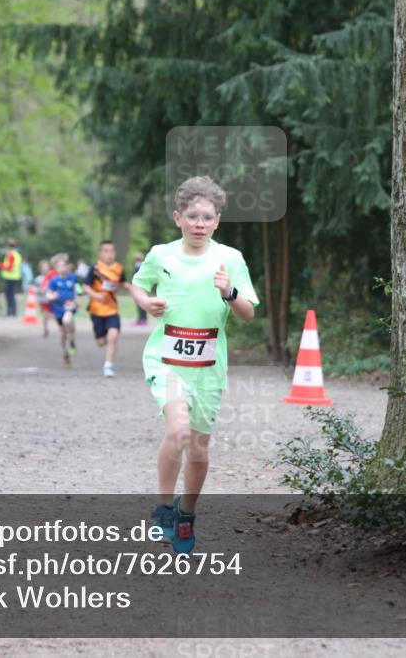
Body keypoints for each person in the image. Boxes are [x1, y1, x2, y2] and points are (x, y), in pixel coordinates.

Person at [128, 175, 258, 554]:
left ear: (217, 221)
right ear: (178, 218)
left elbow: (248, 313)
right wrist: (144, 301)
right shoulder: (161, 254)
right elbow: (137, 284)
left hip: (208, 368)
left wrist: (229, 293)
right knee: (179, 429)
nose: (199, 223)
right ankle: (163, 509)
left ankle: (187, 514)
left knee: (199, 447)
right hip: (166, 360)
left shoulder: (230, 259)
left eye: (207, 217)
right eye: (192, 216)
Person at [83, 240, 130, 377]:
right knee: (101, 342)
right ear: (100, 253)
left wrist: (133, 288)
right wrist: (95, 295)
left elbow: (122, 283)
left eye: (112, 251)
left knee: (113, 335)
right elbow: (86, 286)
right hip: (96, 310)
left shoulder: (119, 268)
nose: (109, 254)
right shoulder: (95, 268)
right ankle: (103, 339)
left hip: (112, 310)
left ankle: (108, 365)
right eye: (106, 251)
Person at [46, 257, 79, 368]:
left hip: (69, 307)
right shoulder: (54, 281)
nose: (61, 268)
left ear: (67, 266)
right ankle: (65, 354)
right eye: (59, 266)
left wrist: (77, 300)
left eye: (63, 265)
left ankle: (72, 341)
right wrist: (52, 296)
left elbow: (76, 291)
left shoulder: (73, 278)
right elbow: (48, 294)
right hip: (58, 309)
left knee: (67, 319)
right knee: (62, 334)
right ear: (55, 268)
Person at [0, 238, 23, 317]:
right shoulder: (16, 254)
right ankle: (12, 312)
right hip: (14, 277)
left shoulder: (11, 254)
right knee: (11, 295)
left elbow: (9, 267)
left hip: (10, 277)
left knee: (9, 295)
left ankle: (11, 312)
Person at [34, 259, 53, 337]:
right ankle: (45, 329)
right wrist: (40, 290)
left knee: (52, 315)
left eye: (46, 267)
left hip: (52, 300)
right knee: (45, 315)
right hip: (43, 300)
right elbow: (35, 289)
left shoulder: (52, 277)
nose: (45, 268)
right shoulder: (38, 279)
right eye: (43, 267)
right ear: (40, 269)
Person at [132, 252, 148, 325]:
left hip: (139, 287)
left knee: (140, 303)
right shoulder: (143, 265)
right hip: (143, 287)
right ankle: (142, 319)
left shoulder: (138, 266)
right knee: (141, 303)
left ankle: (142, 319)